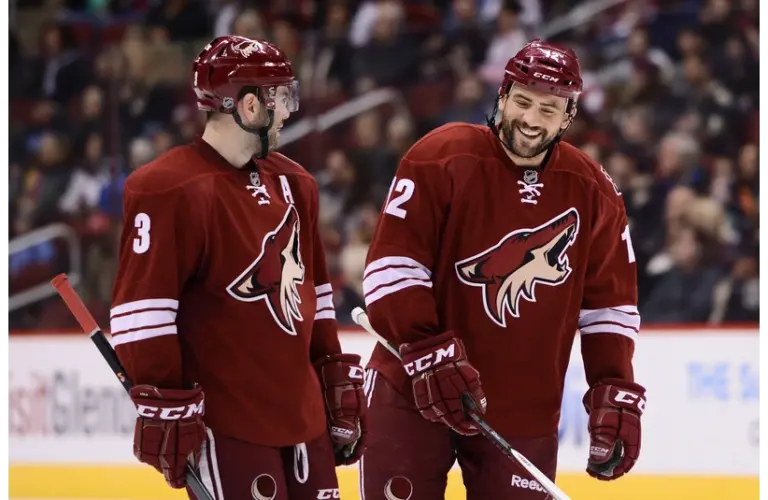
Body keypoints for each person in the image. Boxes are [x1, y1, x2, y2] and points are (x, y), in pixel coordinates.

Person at [359, 39, 647, 499]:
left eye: (549, 109)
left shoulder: (594, 189)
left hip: (523, 407)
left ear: (569, 116)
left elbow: (610, 305)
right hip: (410, 387)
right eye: (523, 102)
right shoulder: (441, 155)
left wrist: (614, 388)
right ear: (503, 97)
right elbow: (392, 265)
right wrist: (427, 348)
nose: (532, 120)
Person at [109, 35, 367, 500]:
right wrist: (167, 398)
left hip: (306, 422)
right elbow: (141, 314)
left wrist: (331, 374)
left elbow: (319, 300)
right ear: (249, 106)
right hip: (228, 426)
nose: (288, 111)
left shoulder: (296, 183)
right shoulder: (167, 189)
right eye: (282, 98)